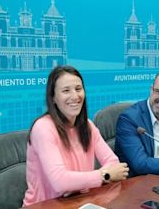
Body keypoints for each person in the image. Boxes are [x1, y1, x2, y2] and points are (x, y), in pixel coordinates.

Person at [23, 66, 129, 206]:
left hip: (79, 201)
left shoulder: (87, 126)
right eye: (66, 91)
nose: (75, 96)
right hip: (44, 205)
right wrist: (104, 175)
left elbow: (114, 163)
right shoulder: (43, 127)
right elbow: (60, 182)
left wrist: (74, 184)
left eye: (78, 89)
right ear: (53, 98)